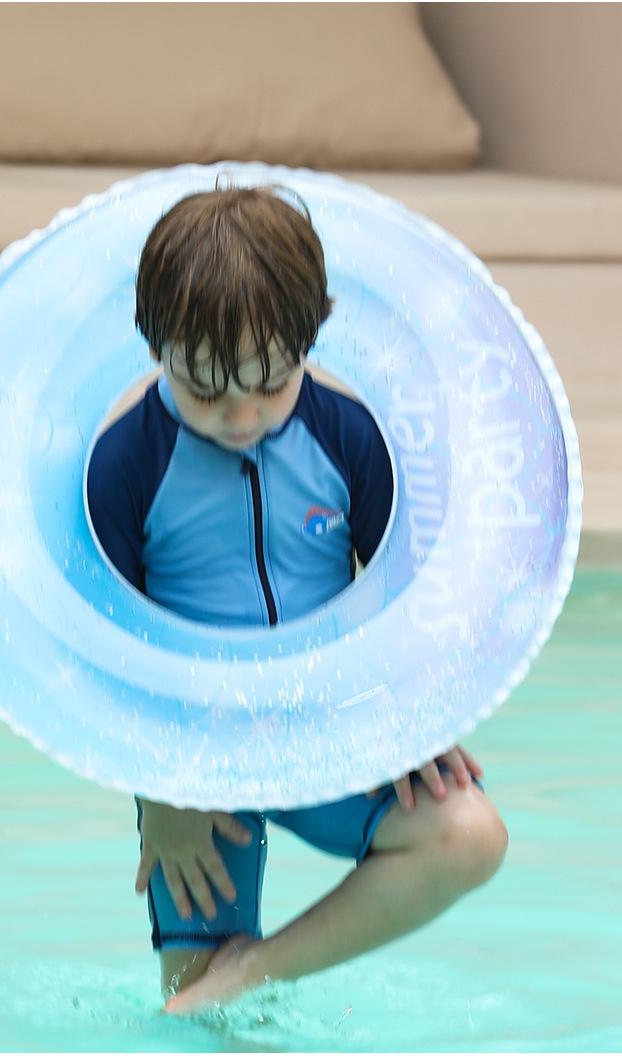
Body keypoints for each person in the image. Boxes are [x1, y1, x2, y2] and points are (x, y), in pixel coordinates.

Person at [86, 182, 509, 1016]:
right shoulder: (126, 462)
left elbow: (412, 598)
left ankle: (259, 968)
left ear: (314, 333)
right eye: (205, 390)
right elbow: (108, 651)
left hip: (328, 726)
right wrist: (164, 794)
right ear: (153, 345)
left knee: (468, 836)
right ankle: (225, 982)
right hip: (195, 757)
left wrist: (415, 715)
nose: (241, 415)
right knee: (195, 1016)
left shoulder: (349, 435)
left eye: (272, 382)